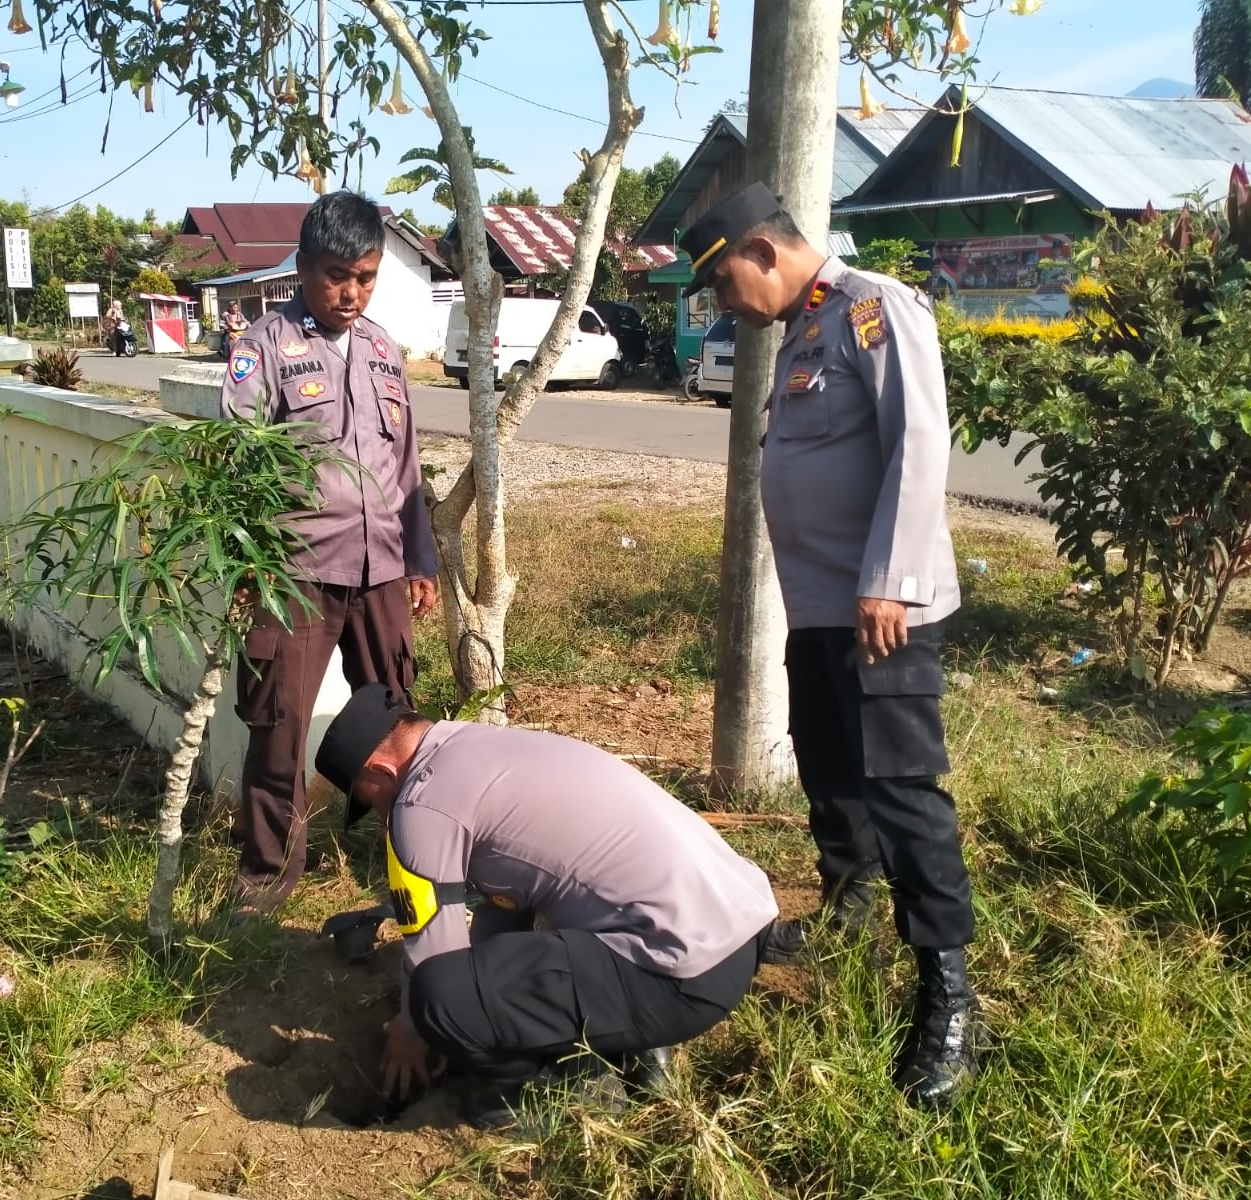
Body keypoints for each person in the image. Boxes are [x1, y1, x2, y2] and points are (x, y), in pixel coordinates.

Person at [675, 182, 985, 1110]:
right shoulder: (808, 331)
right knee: (830, 769)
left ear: (762, 251)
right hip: (819, 611)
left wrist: (888, 576)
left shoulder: (874, 309)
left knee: (902, 790)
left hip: (882, 608)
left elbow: (919, 443)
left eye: (725, 282)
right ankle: (851, 909)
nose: (727, 304)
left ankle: (950, 1001)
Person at [314, 684, 782, 1129]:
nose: (379, 814)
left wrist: (415, 1029)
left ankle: (562, 1084)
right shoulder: (484, 747)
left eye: (367, 799)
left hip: (679, 975)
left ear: (380, 771)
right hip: (733, 938)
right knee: (472, 979)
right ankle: (633, 1045)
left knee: (435, 995)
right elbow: (506, 907)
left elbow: (433, 954)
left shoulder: (421, 803)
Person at [219, 191, 438, 910]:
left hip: (381, 572)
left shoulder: (382, 350)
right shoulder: (263, 348)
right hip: (295, 574)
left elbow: (405, 465)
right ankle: (267, 877)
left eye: (366, 277)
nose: (351, 293)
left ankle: (411, 863)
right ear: (302, 269)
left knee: (398, 722)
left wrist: (422, 559)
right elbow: (239, 466)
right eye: (335, 275)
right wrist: (248, 564)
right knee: (278, 729)